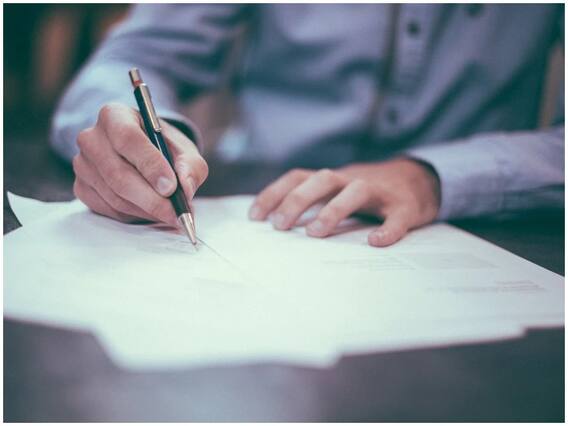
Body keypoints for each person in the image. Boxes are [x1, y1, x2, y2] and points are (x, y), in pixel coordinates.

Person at [51, 4, 564, 247]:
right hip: (259, 207)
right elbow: (132, 57)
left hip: (488, 228)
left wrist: (431, 176)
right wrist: (136, 137)